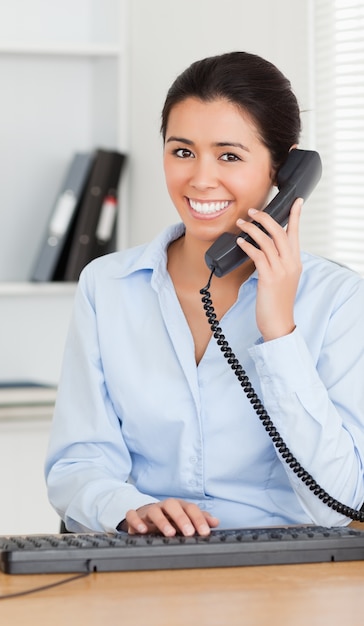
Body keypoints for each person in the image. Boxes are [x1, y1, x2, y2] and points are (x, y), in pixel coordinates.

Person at [44, 51, 364, 537]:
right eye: (182, 151)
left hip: (284, 578)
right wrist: (127, 508)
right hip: (147, 564)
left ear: (285, 171)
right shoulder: (106, 286)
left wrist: (279, 332)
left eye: (229, 155)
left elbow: (340, 502)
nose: (199, 178)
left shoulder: (338, 299)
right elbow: (77, 464)